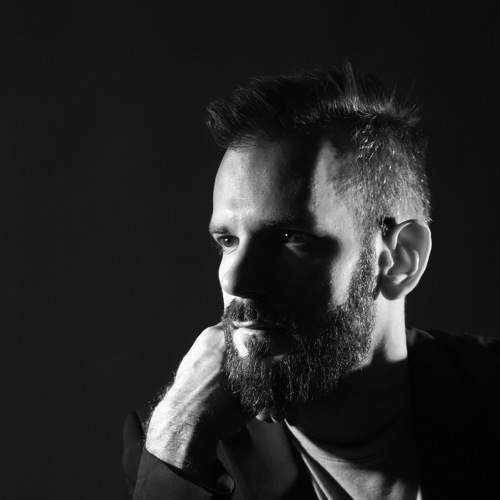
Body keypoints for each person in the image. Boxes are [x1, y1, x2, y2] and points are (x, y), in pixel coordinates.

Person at [122, 65, 500, 499]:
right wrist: (178, 432)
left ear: (399, 260)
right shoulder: (183, 448)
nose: (235, 277)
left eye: (291, 239)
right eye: (227, 241)